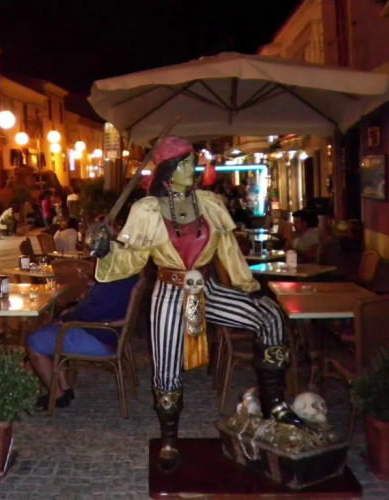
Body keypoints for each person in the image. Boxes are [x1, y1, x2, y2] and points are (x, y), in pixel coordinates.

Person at [88, 136, 303, 473]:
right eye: (185, 163)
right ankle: (169, 439)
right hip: (169, 293)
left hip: (207, 289)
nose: (193, 168)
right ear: (168, 171)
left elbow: (229, 250)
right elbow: (131, 259)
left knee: (271, 315)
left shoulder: (209, 203)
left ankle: (274, 405)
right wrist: (106, 250)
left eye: (192, 162)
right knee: (166, 367)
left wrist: (249, 287)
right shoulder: (147, 210)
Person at [26, 274, 139, 410]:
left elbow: (91, 312)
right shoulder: (129, 275)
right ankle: (65, 388)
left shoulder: (115, 281)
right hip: (110, 334)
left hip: (99, 337)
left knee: (34, 342)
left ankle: (57, 395)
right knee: (51, 332)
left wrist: (67, 316)